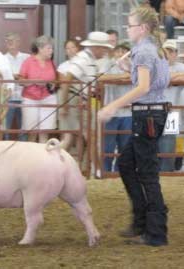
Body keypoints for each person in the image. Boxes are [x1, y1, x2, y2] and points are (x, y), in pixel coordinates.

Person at [98, 5, 170, 246]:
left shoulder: (144, 52)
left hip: (147, 115)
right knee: (127, 165)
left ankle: (156, 232)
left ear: (142, 28)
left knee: (148, 174)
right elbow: (156, 82)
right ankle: (141, 221)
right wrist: (128, 69)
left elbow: (143, 88)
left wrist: (111, 107)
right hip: (152, 114)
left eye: (129, 25)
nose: (126, 29)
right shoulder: (152, 49)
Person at [61, 31, 113, 175]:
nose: (105, 51)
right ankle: (96, 170)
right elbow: (67, 78)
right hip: (75, 99)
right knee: (85, 136)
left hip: (79, 99)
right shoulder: (83, 59)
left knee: (80, 137)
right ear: (96, 47)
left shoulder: (89, 59)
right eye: (103, 48)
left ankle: (93, 169)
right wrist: (64, 104)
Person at [19, 35, 57, 143]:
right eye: (49, 48)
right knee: (32, 131)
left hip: (48, 98)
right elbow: (21, 80)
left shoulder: (51, 62)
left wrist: (53, 84)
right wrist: (35, 81)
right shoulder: (28, 61)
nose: (51, 51)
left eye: (52, 48)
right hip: (30, 98)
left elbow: (54, 79)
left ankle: (42, 156)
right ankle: (32, 157)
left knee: (45, 131)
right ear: (40, 49)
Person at [101, 43, 132, 172]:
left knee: (124, 147)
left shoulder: (133, 65)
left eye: (124, 51)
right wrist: (121, 76)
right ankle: (106, 172)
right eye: (118, 51)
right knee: (108, 147)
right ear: (114, 53)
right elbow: (101, 77)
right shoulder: (109, 64)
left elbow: (137, 78)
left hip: (128, 112)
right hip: (111, 112)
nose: (120, 54)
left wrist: (126, 73)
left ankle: (120, 172)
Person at [159, 39, 184, 171]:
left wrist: (168, 77)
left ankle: (166, 174)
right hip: (156, 110)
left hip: (173, 112)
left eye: (171, 51)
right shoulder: (156, 66)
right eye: (166, 51)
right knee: (155, 145)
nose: (168, 54)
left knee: (168, 147)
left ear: (176, 53)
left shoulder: (181, 67)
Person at [4, 32, 30, 141]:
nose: (9, 42)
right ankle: (5, 151)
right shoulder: (2, 58)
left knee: (24, 128)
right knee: (6, 128)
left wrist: (21, 77)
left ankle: (22, 152)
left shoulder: (27, 58)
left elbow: (31, 75)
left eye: (13, 40)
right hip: (7, 98)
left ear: (19, 42)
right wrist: (11, 76)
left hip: (24, 97)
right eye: (7, 40)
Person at [57, 39, 81, 150]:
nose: (70, 50)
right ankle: (64, 158)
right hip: (67, 98)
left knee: (80, 131)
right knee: (66, 131)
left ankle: (81, 161)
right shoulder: (62, 66)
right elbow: (64, 83)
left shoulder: (83, 64)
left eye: (73, 47)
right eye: (67, 48)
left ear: (78, 48)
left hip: (82, 99)